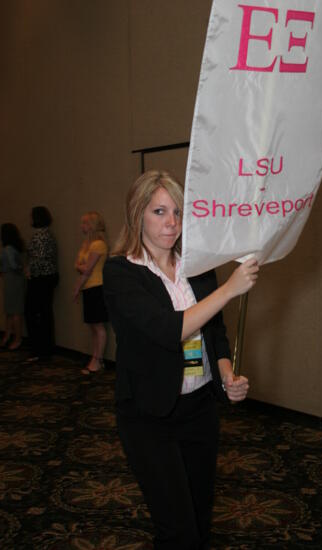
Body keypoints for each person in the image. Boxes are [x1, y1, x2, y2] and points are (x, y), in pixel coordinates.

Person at [103, 170, 259, 549]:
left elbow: (214, 333)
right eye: (159, 211)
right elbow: (166, 328)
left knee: (200, 518)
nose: (171, 222)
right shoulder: (121, 271)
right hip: (149, 416)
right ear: (137, 214)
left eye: (177, 211)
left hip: (200, 409)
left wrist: (225, 374)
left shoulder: (197, 266)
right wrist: (229, 291)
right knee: (178, 530)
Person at [73, 211, 108, 374]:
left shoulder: (98, 244)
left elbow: (86, 269)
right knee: (92, 326)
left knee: (98, 326)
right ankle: (94, 357)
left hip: (97, 287)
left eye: (85, 223)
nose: (82, 227)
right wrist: (81, 270)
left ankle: (98, 359)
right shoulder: (87, 244)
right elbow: (80, 266)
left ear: (92, 225)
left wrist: (81, 269)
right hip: (89, 287)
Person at [24, 206, 59, 363]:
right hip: (48, 277)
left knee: (34, 313)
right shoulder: (48, 234)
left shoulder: (40, 236)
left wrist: (29, 271)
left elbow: (38, 259)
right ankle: (45, 348)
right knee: (44, 313)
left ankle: (40, 349)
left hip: (40, 278)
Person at [0, 223, 26, 350]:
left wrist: (21, 269)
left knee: (13, 311)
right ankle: (10, 336)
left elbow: (13, 266)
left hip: (11, 279)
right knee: (13, 310)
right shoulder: (14, 248)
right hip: (14, 280)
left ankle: (15, 338)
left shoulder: (8, 249)